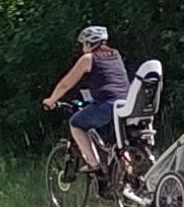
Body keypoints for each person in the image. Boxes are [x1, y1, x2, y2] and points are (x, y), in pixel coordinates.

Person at [42, 25, 133, 184]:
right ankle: (128, 180)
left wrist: (51, 100)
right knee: (120, 145)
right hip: (127, 105)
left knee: (76, 123)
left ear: (89, 43)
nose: (82, 48)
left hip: (108, 105)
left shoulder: (88, 59)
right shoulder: (115, 55)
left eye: (83, 44)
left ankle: (94, 165)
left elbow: (66, 83)